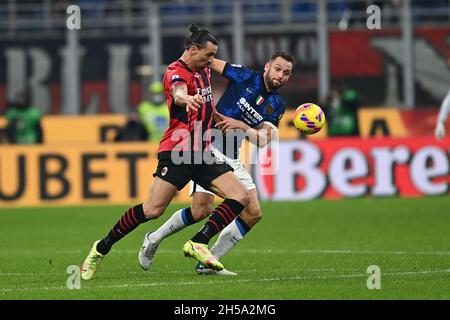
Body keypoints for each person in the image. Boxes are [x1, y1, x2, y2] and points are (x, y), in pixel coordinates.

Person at [80, 24, 250, 280]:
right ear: (193, 49)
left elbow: (206, 103)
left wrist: (217, 118)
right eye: (208, 54)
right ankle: (100, 248)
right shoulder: (175, 71)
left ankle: (198, 242)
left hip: (203, 152)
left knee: (241, 195)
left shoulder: (203, 69)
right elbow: (179, 92)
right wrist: (185, 99)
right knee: (152, 210)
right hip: (177, 151)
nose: (211, 59)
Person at [139, 51, 295, 275]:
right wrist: (184, 78)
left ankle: (207, 263)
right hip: (206, 147)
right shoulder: (244, 76)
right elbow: (208, 60)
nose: (280, 75)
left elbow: (263, 140)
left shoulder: (277, 104)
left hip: (232, 154)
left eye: (286, 73)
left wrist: (242, 126)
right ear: (267, 67)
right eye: (278, 69)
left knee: (253, 213)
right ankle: (153, 239)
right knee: (201, 210)